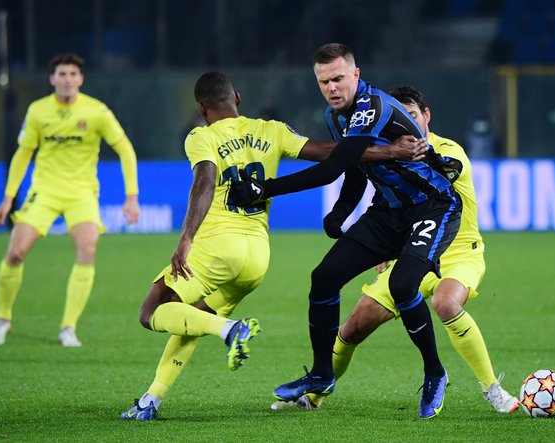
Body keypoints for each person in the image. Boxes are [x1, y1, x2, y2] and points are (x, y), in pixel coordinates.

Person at [119, 71, 424, 421]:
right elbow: (331, 153)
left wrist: (186, 237)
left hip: (218, 246)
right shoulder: (271, 129)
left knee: (152, 312)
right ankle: (151, 400)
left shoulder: (201, 136)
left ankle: (230, 329)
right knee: (194, 317)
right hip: (257, 257)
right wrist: (389, 150)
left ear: (202, 108)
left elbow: (204, 181)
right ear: (238, 98)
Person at [230, 43, 463, 419]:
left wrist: (265, 187)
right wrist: (341, 211)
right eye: (324, 81)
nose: (331, 88)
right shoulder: (336, 115)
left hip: (433, 207)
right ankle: (322, 373)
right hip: (387, 212)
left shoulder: (373, 106)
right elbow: (355, 168)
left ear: (356, 74)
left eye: (338, 78)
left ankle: (435, 373)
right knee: (324, 278)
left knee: (403, 286)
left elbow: (332, 167)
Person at [271, 86, 520, 414]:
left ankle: (493, 389)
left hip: (458, 254)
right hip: (408, 250)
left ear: (426, 115)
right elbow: (368, 183)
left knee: (445, 303)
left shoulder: (448, 150)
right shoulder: (387, 151)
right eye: (400, 119)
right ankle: (314, 396)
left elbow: (448, 172)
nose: (407, 125)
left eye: (413, 116)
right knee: (353, 327)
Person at [0, 53, 140, 347]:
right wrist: (8, 199)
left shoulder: (96, 112)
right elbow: (23, 154)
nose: (67, 79)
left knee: (87, 250)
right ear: (52, 79)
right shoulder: (38, 111)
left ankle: (68, 328)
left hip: (82, 193)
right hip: (43, 191)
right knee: (16, 253)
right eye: (62, 74)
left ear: (80, 79)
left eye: (72, 74)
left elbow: (125, 150)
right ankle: (3, 318)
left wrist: (131, 196)